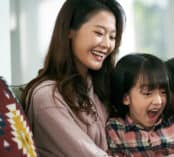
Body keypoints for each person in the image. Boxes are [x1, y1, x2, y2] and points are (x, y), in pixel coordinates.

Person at [21, 0, 125, 156]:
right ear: (70, 31)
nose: (107, 44)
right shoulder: (47, 96)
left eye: (112, 36)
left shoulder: (96, 88)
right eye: (99, 33)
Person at [106, 53, 174, 156]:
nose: (158, 101)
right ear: (126, 98)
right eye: (147, 93)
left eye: (163, 92)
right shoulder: (116, 128)